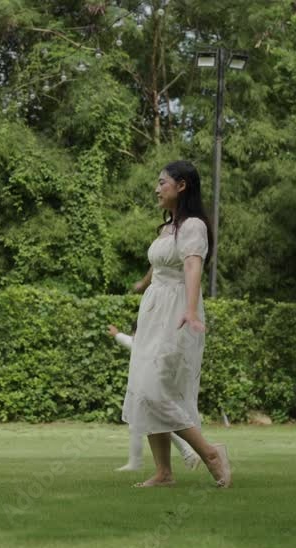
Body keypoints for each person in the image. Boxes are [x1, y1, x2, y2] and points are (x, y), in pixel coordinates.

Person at [122, 160, 232, 488]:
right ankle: (163, 472)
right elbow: (159, 265)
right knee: (144, 388)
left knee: (156, 389)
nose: (157, 189)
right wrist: (143, 286)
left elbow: (192, 266)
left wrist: (191, 310)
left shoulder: (193, 226)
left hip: (176, 312)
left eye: (162, 183)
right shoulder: (168, 227)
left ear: (181, 185)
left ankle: (210, 454)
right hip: (154, 311)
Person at [107, 322, 200, 472]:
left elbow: (131, 343)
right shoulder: (145, 345)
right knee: (143, 426)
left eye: (136, 335)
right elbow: (129, 341)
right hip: (148, 394)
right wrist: (117, 334)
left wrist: (117, 334)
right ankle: (186, 454)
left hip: (151, 394)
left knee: (157, 425)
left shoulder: (150, 348)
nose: (134, 338)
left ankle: (188, 453)